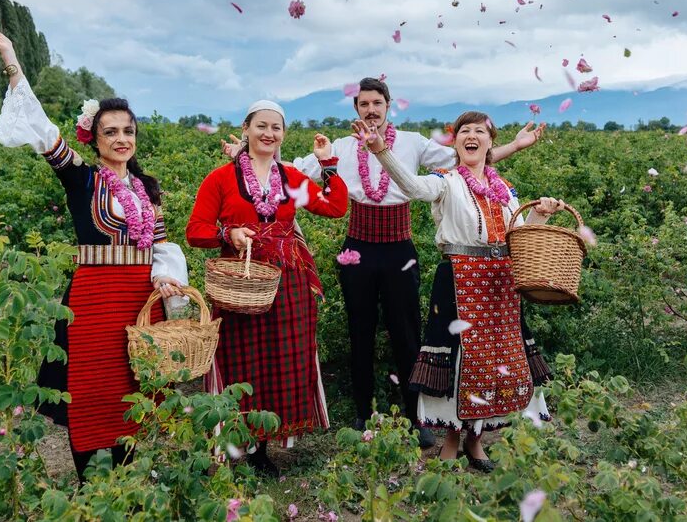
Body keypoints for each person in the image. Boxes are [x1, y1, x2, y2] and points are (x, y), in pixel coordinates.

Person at [0, 19, 189, 482]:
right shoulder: (81, 177)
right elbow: (44, 131)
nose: (122, 139)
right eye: (111, 132)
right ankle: (91, 479)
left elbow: (161, 243)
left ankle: (126, 477)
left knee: (133, 382)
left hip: (139, 299)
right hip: (93, 298)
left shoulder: (148, 187)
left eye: (128, 130)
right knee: (89, 386)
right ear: (95, 138)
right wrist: (10, 60)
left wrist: (167, 280)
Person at [286, 77, 543, 448]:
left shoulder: (411, 142)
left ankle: (415, 416)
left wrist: (516, 146)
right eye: (364, 104)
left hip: (399, 249)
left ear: (388, 106)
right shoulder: (341, 146)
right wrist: (251, 158)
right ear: (356, 109)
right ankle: (362, 412)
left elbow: (466, 161)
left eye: (377, 103)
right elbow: (295, 171)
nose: (371, 110)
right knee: (360, 331)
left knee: (406, 333)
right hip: (357, 247)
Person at [356, 110, 564, 472]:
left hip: (500, 284)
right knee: (459, 361)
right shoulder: (446, 181)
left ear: (489, 141)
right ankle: (451, 439)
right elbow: (413, 187)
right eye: (463, 130)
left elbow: (520, 236)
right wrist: (380, 151)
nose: (471, 135)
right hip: (459, 279)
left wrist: (542, 214)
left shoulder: (505, 191)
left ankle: (475, 440)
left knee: (494, 362)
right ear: (454, 142)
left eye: (479, 131)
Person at [186, 100, 348, 477]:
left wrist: (328, 164)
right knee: (241, 358)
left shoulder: (291, 178)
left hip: (286, 281)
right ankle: (235, 438)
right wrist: (228, 233)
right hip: (239, 283)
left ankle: (263, 445)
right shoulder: (221, 179)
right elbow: (195, 231)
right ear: (246, 129)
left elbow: (335, 207)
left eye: (276, 127)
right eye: (261, 126)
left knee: (281, 358)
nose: (268, 133)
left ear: (283, 135)